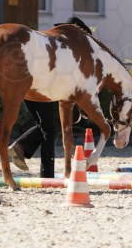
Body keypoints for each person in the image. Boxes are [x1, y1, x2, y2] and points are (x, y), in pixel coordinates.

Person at [8, 17, 93, 178]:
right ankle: (42, 170)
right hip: (42, 86)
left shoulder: (56, 45)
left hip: (30, 84)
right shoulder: (65, 50)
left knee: (46, 127)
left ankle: (22, 148)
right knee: (48, 129)